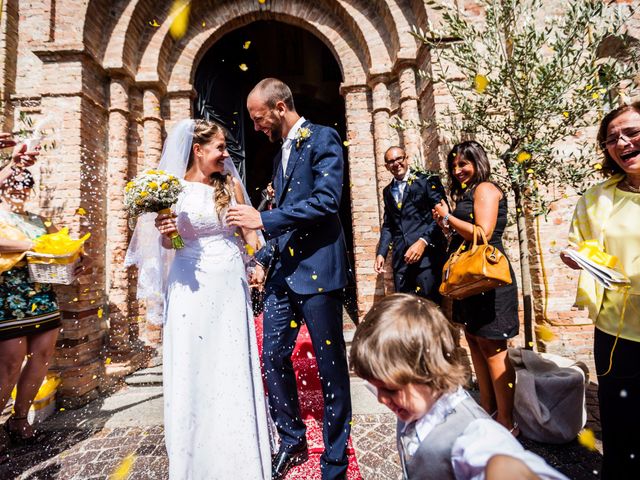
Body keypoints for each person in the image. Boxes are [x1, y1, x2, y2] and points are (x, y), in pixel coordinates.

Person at [125, 119, 272, 479]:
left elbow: (250, 232)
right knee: (194, 361)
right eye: (220, 148)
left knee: (231, 360)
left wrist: (258, 263)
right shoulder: (172, 190)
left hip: (228, 279)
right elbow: (168, 245)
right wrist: (166, 232)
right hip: (188, 281)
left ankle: (240, 458)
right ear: (198, 150)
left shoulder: (231, 183)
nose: (226, 155)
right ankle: (196, 459)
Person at [227, 78, 352, 480]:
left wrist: (263, 218)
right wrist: (262, 255)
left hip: (318, 273)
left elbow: (327, 201)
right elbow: (287, 226)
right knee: (272, 357)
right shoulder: (281, 152)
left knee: (331, 367)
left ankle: (334, 459)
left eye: (259, 118)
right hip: (283, 276)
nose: (257, 126)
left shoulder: (323, 138)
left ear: (280, 107)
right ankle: (292, 436)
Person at [349, 293, 568, 480]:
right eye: (376, 388)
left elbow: (500, 461)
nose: (380, 399)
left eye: (389, 389)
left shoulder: (474, 433)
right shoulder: (412, 398)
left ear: (428, 371)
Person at [560, 102, 640, 479]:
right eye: (612, 139)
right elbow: (584, 243)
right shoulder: (597, 198)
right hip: (617, 330)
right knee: (621, 428)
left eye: (631, 132)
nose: (622, 142)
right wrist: (579, 257)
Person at [0, 150, 88, 452]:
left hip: (42, 296)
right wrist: (31, 244)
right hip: (9, 297)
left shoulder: (40, 220)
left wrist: (78, 260)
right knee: (11, 361)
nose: (19, 189)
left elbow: (64, 246)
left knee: (42, 356)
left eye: (25, 184)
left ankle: (20, 417)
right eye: (14, 183)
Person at [432, 141, 519, 434]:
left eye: (463, 164)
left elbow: (483, 233)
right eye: (454, 166)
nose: (457, 171)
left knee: (494, 349)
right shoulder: (468, 193)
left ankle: (507, 422)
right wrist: (448, 225)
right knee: (475, 342)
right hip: (471, 280)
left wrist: (448, 217)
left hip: (490, 278)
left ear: (478, 162)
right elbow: (464, 234)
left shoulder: (485, 189)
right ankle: (486, 411)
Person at [374, 146, 448, 301]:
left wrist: (423, 241)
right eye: (390, 161)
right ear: (386, 166)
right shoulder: (387, 191)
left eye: (399, 158)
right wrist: (381, 253)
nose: (396, 164)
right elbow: (389, 224)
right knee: (406, 312)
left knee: (430, 310)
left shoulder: (427, 180)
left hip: (427, 258)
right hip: (402, 261)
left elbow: (442, 216)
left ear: (406, 158)